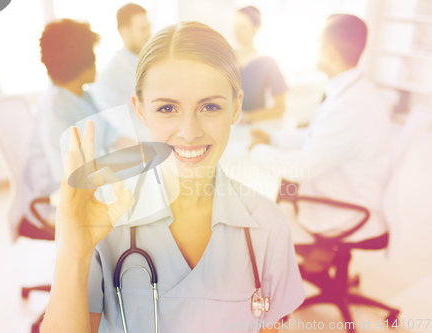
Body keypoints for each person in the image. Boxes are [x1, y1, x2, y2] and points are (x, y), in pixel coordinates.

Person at [40, 21, 304, 333]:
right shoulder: (102, 221)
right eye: (167, 108)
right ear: (140, 111)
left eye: (210, 106)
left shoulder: (268, 225)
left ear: (235, 109)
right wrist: (74, 255)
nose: (190, 133)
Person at [248, 15, 392, 265]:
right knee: (282, 188)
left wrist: (256, 151)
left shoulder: (349, 105)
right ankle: (319, 258)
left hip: (343, 207)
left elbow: (303, 167)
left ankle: (313, 256)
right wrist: (274, 138)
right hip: (348, 187)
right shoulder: (357, 89)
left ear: (329, 52)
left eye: (317, 45)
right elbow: (319, 135)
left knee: (263, 207)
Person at [22, 19, 133, 234]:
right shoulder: (54, 111)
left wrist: (150, 150)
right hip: (56, 201)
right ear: (78, 61)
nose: (96, 61)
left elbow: (111, 135)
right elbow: (69, 176)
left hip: (90, 183)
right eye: (92, 55)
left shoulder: (83, 95)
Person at [91, 3, 151, 141]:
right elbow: (125, 125)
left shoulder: (154, 64)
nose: (148, 34)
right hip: (139, 150)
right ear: (124, 32)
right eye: (142, 29)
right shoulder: (109, 76)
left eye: (149, 28)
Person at [234, 6, 288, 123]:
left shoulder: (268, 63)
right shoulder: (224, 59)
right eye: (235, 26)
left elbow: (280, 107)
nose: (236, 31)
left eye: (242, 27)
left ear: (256, 28)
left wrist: (250, 116)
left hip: (252, 127)